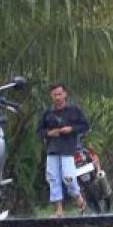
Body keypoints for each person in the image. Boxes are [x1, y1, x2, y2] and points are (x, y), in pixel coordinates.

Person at [37, 83, 88, 218]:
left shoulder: (74, 110)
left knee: (69, 177)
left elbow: (85, 125)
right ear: (51, 96)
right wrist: (49, 133)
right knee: (53, 178)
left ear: (65, 94)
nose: (57, 97)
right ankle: (58, 211)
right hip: (52, 149)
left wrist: (71, 129)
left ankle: (78, 198)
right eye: (54, 95)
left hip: (68, 149)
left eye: (59, 94)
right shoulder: (47, 113)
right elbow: (39, 131)